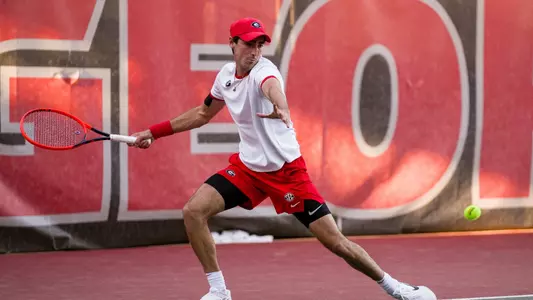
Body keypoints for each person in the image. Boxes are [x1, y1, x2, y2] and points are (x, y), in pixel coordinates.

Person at [130, 17, 437, 300]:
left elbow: (271, 87)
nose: (255, 51)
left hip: (288, 173)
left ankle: (397, 289)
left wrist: (282, 106)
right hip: (248, 170)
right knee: (193, 212)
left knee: (336, 243)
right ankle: (219, 291)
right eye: (248, 43)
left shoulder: (265, 71)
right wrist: (153, 133)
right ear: (232, 44)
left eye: (259, 44)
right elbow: (202, 113)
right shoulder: (225, 77)